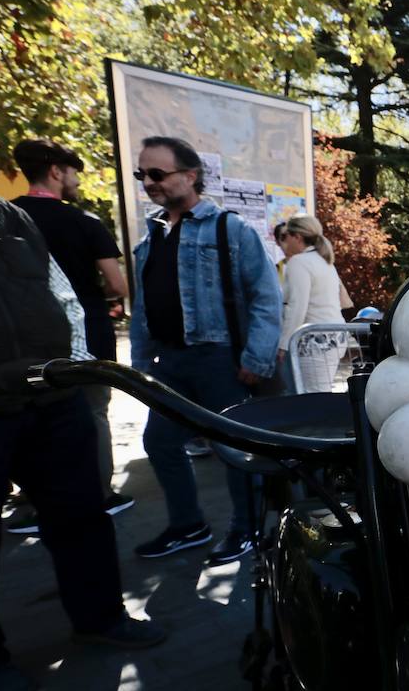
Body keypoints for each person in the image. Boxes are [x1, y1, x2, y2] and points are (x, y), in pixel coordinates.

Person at [0, 94, 164, 691]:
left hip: (49, 401)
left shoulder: (6, 218)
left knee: (81, 515)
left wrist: (70, 370)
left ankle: (100, 617)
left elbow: (63, 298)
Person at [129, 135, 282, 566]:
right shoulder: (151, 239)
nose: (149, 182)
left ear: (190, 176)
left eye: (157, 173)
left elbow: (267, 296)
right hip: (170, 363)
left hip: (219, 359)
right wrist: (139, 369)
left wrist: (256, 356)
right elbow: (143, 308)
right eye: (143, 174)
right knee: (159, 442)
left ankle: (247, 527)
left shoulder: (229, 229)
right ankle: (187, 524)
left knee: (233, 449)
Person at [10, 138, 134, 528]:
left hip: (23, 339)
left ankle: (33, 500)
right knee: (94, 413)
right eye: (74, 171)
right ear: (56, 171)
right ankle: (100, 494)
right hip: (88, 334)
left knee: (31, 414)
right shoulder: (83, 223)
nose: (77, 180)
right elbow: (117, 285)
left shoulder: (3, 218)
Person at [277, 215, 345, 393]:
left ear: (297, 237)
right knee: (319, 394)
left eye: (285, 236)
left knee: (313, 398)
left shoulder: (298, 263)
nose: (284, 242)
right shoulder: (324, 260)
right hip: (335, 337)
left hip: (315, 341)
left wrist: (284, 345)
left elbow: (297, 307)